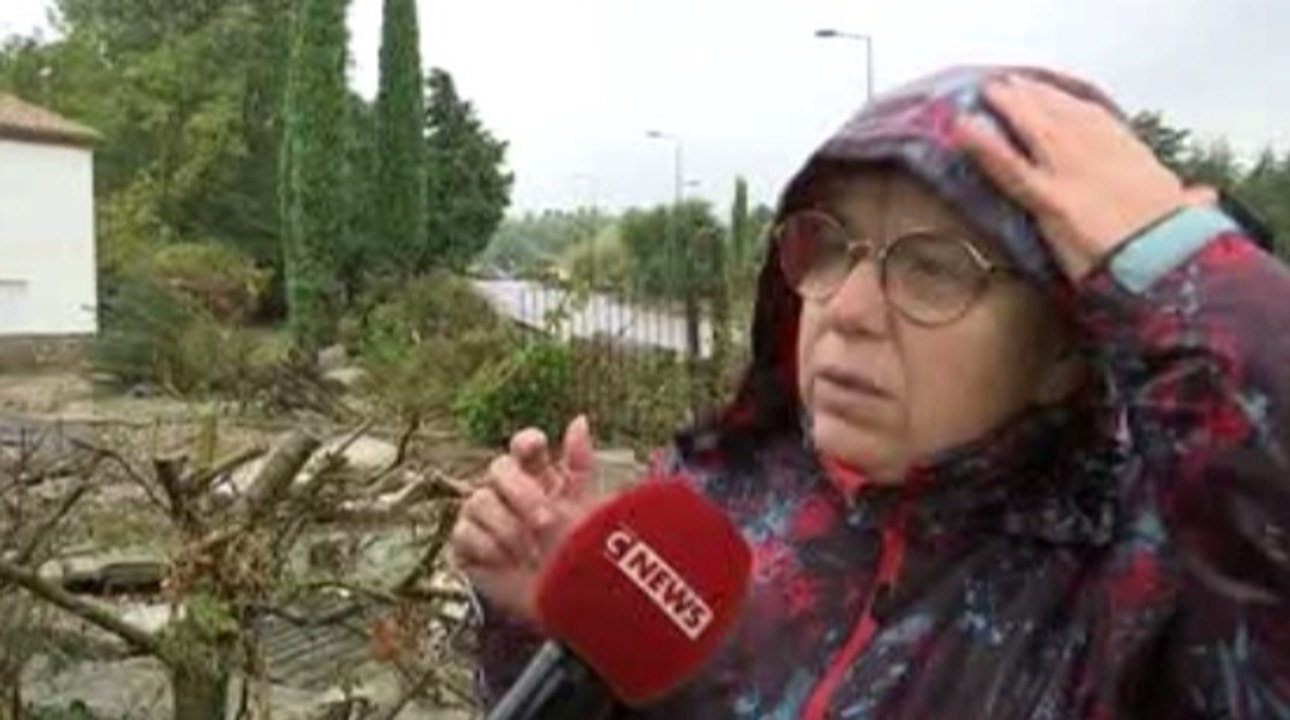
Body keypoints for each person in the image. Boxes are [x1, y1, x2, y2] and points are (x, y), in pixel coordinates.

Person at [449, 66, 1290, 718]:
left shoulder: (1148, 592)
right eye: (831, 246)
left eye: (932, 268)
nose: (844, 310)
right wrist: (555, 636)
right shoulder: (713, 503)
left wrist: (1189, 272)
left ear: (1066, 351)